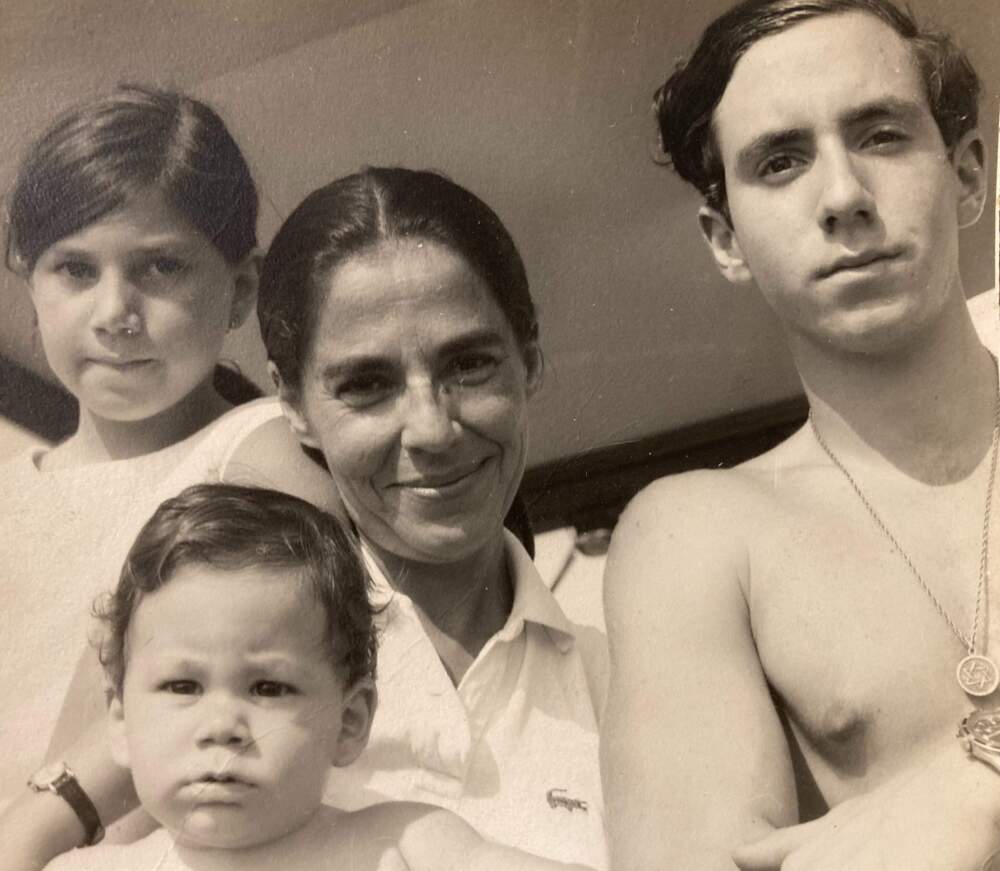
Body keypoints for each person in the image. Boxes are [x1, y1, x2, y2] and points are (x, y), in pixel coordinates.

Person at [13, 167, 608, 870]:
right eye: (366, 384)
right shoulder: (217, 648)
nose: (431, 428)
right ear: (292, 405)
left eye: (470, 364)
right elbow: (43, 835)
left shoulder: (625, 682)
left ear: (529, 363)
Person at [601, 0, 999, 868]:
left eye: (883, 136)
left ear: (968, 174)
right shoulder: (699, 534)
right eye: (780, 162)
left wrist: (978, 777)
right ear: (726, 239)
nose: (844, 197)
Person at [0, 84, 331, 862]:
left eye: (160, 267)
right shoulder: (10, 491)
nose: (116, 311)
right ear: (29, 285)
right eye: (75, 270)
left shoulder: (258, 456)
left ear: (241, 288)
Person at [45, 482, 592, 871]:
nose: (222, 726)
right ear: (120, 718)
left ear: (350, 722)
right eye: (182, 686)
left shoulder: (406, 844)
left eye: (269, 687)